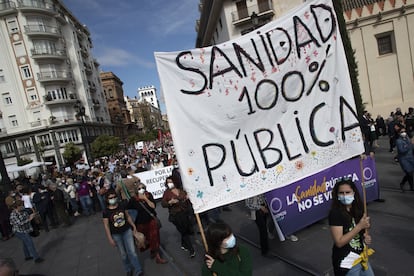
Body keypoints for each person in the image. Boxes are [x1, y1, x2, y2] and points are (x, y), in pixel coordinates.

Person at [328, 179, 373, 276]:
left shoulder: (360, 209)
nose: (344, 195)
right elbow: (339, 242)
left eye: (347, 192)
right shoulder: (335, 213)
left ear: (354, 193)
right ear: (337, 195)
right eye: (341, 193)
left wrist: (366, 237)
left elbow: (363, 232)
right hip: (346, 262)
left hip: (361, 257)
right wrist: (359, 226)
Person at [102, 189, 143, 276]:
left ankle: (138, 270)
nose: (113, 199)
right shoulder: (106, 211)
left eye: (114, 197)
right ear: (107, 200)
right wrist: (110, 238)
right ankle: (128, 268)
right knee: (123, 254)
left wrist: (133, 226)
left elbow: (127, 216)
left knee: (132, 251)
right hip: (116, 234)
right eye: (110, 198)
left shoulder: (121, 206)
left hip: (126, 231)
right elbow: (106, 225)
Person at [128, 183, 167, 264]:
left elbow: (153, 206)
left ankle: (158, 256)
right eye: (139, 188)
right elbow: (129, 211)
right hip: (140, 223)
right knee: (145, 240)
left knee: (155, 237)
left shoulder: (149, 195)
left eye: (143, 188)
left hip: (151, 221)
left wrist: (145, 198)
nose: (141, 189)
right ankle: (152, 250)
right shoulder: (133, 200)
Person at [161, 176, 196, 258]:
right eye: (168, 182)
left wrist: (187, 198)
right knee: (183, 231)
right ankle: (191, 250)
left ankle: (183, 244)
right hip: (176, 215)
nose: (170, 184)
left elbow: (186, 198)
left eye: (171, 182)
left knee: (187, 230)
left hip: (185, 213)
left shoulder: (181, 190)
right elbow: (163, 204)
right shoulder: (167, 193)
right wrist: (170, 202)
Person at [9, 199, 44, 263]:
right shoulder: (13, 215)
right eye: (21, 206)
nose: (22, 207)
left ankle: (27, 256)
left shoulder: (23, 211)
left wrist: (32, 216)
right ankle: (36, 258)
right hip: (19, 231)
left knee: (25, 243)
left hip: (25, 229)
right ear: (17, 207)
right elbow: (19, 223)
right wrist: (29, 219)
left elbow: (27, 216)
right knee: (29, 243)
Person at [395, 127, 414, 192]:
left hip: (410, 158)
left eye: (404, 131)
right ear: (399, 133)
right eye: (402, 132)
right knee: (409, 173)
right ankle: (412, 187)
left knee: (410, 173)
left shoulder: (407, 138)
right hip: (404, 159)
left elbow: (412, 147)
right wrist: (410, 144)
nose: (404, 133)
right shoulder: (398, 141)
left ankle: (403, 183)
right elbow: (402, 150)